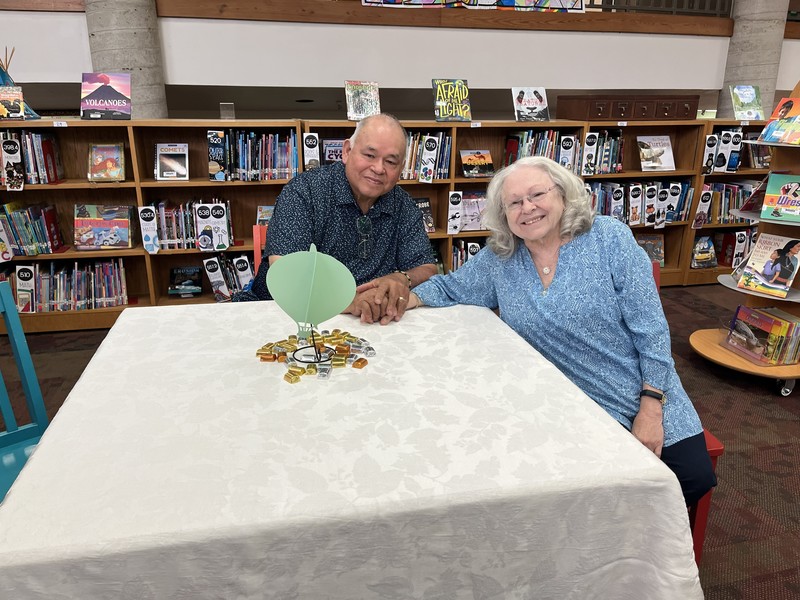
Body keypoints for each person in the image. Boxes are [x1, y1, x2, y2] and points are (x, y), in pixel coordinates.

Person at [403, 156, 716, 506]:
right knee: (571, 489)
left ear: (563, 195)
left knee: (690, 476)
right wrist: (406, 298)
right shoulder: (502, 256)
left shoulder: (608, 238)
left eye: (538, 194)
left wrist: (651, 407)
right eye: (515, 203)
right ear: (503, 214)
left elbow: (652, 330)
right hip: (564, 401)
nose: (528, 208)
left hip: (641, 386)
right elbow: (451, 288)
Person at [248, 113, 437, 324]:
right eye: (369, 155)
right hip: (293, 316)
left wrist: (401, 278)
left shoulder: (403, 204)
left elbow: (427, 266)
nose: (378, 168)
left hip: (372, 321)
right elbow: (287, 273)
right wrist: (350, 301)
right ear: (347, 151)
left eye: (391, 161)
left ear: (401, 169)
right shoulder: (305, 191)